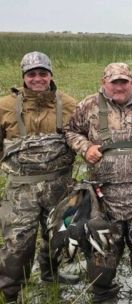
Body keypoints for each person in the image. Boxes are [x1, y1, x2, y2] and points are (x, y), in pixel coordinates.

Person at [64, 63, 132, 302]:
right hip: (104, 196)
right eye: (114, 81)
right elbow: (71, 131)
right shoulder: (89, 105)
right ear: (104, 82)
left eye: (124, 81)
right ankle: (104, 293)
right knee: (102, 255)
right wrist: (86, 147)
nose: (119, 86)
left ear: (131, 82)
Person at [0, 51, 78, 302]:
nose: (37, 79)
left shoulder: (68, 104)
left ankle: (51, 274)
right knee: (17, 243)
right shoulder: (5, 106)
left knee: (58, 233)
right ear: (23, 77)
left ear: (50, 75)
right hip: (21, 190)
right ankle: (11, 292)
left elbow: (81, 138)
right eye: (31, 74)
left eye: (42, 73)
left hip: (59, 185)